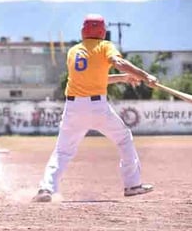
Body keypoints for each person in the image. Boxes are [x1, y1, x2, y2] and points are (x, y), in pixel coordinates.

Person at [32, 14, 157, 202]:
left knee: (62, 151)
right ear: (102, 31)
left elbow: (95, 78)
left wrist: (123, 77)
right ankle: (132, 184)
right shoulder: (105, 46)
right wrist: (145, 76)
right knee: (124, 139)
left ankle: (46, 189)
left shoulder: (74, 51)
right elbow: (119, 62)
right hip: (98, 107)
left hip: (73, 107)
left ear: (83, 31)